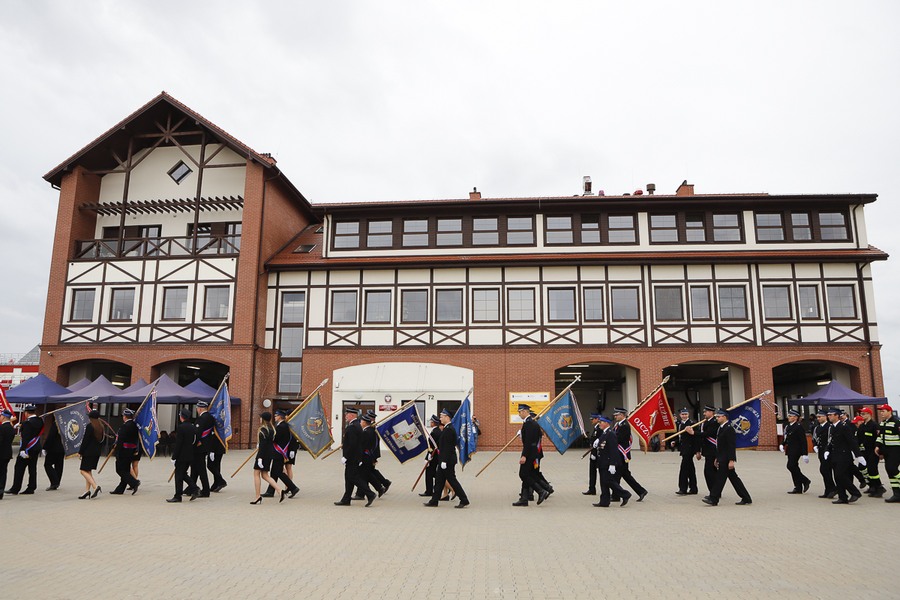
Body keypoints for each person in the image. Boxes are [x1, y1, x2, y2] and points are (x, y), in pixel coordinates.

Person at [702, 408, 752, 506]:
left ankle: (713, 498)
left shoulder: (729, 429)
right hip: (721, 457)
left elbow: (731, 446)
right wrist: (717, 457)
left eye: (719, 417)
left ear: (724, 417)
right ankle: (746, 498)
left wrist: (731, 460)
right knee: (734, 479)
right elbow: (719, 445)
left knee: (720, 479)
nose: (717, 418)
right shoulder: (721, 428)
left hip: (726, 458)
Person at [424, 408, 469, 508]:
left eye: (441, 416)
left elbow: (447, 447)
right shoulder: (446, 428)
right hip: (444, 459)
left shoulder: (449, 429)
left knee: (452, 480)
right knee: (439, 481)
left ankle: (464, 499)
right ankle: (434, 500)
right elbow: (441, 445)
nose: (440, 418)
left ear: (447, 417)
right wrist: (431, 454)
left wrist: (444, 461)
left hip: (447, 461)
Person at [334, 407, 375, 506]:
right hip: (355, 457)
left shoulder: (352, 427)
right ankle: (346, 499)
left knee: (353, 477)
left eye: (347, 414)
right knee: (349, 478)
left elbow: (352, 444)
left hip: (352, 458)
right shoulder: (357, 425)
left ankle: (370, 494)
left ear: (352, 415)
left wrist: (346, 456)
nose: (345, 416)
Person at [511, 404, 550, 507]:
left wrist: (524, 455)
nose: (519, 414)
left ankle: (541, 491)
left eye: (520, 412)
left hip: (530, 453)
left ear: (525, 411)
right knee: (528, 474)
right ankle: (524, 498)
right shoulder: (530, 423)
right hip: (532, 452)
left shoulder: (529, 424)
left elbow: (528, 442)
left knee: (523, 474)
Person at [592, 415, 631, 507]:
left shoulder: (611, 434)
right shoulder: (605, 433)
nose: (599, 424)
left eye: (601, 422)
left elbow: (613, 450)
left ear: (606, 423)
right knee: (603, 482)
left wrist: (612, 464)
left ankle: (625, 494)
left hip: (607, 462)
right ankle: (604, 501)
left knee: (608, 481)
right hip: (602, 462)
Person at [825, 407, 862, 504]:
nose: (829, 417)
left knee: (840, 474)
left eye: (831, 415)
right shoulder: (832, 427)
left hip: (844, 455)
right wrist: (827, 450)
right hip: (835, 455)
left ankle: (855, 492)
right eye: (828, 415)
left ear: (837, 416)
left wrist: (858, 455)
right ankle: (842, 497)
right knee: (837, 477)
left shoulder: (844, 427)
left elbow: (852, 441)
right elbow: (830, 441)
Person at [612, 407, 648, 502]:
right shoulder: (619, 424)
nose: (615, 416)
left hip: (622, 454)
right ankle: (641, 491)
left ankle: (616, 495)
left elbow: (618, 439)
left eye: (617, 415)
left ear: (622, 415)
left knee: (617, 475)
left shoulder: (624, 425)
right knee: (625, 475)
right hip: (619, 454)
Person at [6, 404, 43, 495]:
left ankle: (15, 488)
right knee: (32, 468)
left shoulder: (27, 423)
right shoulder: (40, 420)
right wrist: (22, 424)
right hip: (36, 447)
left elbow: (26, 437)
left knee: (19, 468)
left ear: (26, 413)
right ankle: (31, 487)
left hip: (27, 448)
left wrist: (22, 449)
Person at [251, 412, 285, 504]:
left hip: (262, 455)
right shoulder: (272, 429)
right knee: (265, 475)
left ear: (263, 419)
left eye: (260, 417)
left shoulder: (262, 430)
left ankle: (257, 496)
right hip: (269, 454)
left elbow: (263, 445)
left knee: (256, 474)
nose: (259, 419)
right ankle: (279, 490)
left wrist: (259, 458)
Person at [266, 409, 300, 498]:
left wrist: (267, 439)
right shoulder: (282, 425)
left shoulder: (282, 426)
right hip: (278, 452)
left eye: (276, 416)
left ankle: (293, 488)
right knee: (274, 472)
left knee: (278, 472)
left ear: (280, 416)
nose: (275, 417)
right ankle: (270, 491)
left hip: (279, 452)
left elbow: (275, 438)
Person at [196, 400, 227, 493]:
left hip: (215, 445)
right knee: (216, 465)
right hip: (219, 444)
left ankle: (221, 481)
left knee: (211, 465)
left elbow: (211, 434)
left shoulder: (210, 419)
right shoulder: (213, 419)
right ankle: (216, 483)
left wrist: (212, 449)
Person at [168, 408, 198, 503]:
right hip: (190, 455)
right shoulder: (193, 427)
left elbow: (179, 444)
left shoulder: (181, 427)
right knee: (183, 474)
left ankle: (178, 496)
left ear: (182, 417)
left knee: (178, 476)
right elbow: (195, 441)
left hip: (181, 456)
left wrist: (174, 457)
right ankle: (194, 488)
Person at [110, 408, 141, 495]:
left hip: (123, 451)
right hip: (130, 450)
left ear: (125, 417)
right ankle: (120, 489)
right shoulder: (134, 425)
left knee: (120, 469)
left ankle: (134, 482)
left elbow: (121, 439)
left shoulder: (125, 426)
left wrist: (116, 450)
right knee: (126, 470)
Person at [689, 405, 719, 494]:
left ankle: (714, 492)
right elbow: (700, 438)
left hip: (713, 450)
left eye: (706, 412)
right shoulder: (704, 422)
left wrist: (693, 433)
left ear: (711, 412)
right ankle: (714, 492)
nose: (704, 413)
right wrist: (698, 451)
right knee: (710, 472)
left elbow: (708, 434)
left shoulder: (715, 422)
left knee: (710, 472)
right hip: (707, 451)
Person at [857, 407, 885, 497]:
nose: (862, 415)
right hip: (864, 451)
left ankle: (879, 487)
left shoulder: (874, 425)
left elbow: (879, 439)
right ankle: (872, 486)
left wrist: (881, 452)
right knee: (864, 468)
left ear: (869, 414)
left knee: (872, 469)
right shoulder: (862, 426)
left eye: (864, 414)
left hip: (873, 451)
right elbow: (859, 439)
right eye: (861, 414)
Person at [782, 409, 811, 494]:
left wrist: (805, 453)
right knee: (794, 467)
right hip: (790, 449)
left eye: (790, 416)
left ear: (795, 417)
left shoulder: (798, 427)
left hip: (796, 450)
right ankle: (798, 487)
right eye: (789, 416)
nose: (789, 417)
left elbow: (803, 441)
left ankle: (805, 480)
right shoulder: (788, 426)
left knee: (790, 466)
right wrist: (782, 444)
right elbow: (787, 437)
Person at [874, 403, 900, 503]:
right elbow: (880, 437)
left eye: (883, 411)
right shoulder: (883, 423)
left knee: (892, 468)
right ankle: (897, 494)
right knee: (889, 471)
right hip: (886, 450)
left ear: (889, 412)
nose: (881, 413)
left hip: (895, 450)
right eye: (880, 411)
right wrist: (877, 446)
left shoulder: (896, 422)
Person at [77, 409, 104, 499]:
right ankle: (87, 491)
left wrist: (80, 452)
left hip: (88, 452)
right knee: (88, 471)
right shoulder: (101, 427)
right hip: (96, 453)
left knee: (82, 471)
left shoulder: (90, 426)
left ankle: (95, 486)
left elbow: (85, 440)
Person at [811, 409, 836, 498]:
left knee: (825, 470)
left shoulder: (829, 427)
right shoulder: (817, 428)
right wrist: (815, 445)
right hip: (821, 451)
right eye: (817, 417)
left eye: (820, 417)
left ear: (825, 417)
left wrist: (827, 449)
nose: (818, 418)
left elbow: (831, 439)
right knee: (824, 471)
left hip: (829, 451)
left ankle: (832, 489)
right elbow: (814, 438)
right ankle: (828, 489)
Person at [674, 408, 699, 495]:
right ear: (680, 415)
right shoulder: (679, 424)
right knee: (690, 469)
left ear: (688, 415)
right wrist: (675, 442)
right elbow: (681, 437)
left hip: (689, 450)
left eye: (686, 414)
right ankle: (693, 488)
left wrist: (697, 451)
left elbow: (696, 438)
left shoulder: (692, 424)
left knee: (684, 469)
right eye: (682, 414)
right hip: (683, 449)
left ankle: (683, 488)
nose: (684, 416)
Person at [419, 415, 440, 498]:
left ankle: (429, 491)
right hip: (436, 456)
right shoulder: (438, 431)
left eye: (431, 422)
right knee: (434, 473)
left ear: (434, 423)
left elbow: (431, 447)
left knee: (429, 473)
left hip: (433, 456)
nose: (430, 423)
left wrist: (427, 457)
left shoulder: (434, 433)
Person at [42, 416, 65, 491]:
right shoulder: (65, 424)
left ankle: (54, 481)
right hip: (62, 448)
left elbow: (51, 436)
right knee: (59, 465)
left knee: (47, 464)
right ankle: (57, 482)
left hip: (53, 448)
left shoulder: (56, 424)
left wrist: (45, 447)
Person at [583, 414, 602, 496]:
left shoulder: (600, 429)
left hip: (597, 454)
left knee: (600, 472)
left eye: (592, 419)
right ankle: (591, 489)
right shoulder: (596, 428)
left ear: (597, 419)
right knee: (592, 472)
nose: (591, 421)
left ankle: (602, 490)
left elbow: (599, 442)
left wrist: (594, 453)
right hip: (593, 453)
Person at [0, 409, 15, 499]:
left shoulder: (2, 428)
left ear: (4, 417)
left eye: (1, 416)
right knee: (3, 472)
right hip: (7, 453)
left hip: (1, 453)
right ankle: (1, 490)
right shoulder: (11, 428)